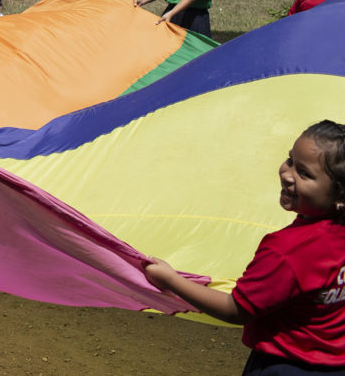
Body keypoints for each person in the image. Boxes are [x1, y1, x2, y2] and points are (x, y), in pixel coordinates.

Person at [144, 120, 345, 373]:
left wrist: (171, 281)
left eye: (304, 174)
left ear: (339, 193)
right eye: (291, 161)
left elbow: (236, 310)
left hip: (284, 366)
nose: (287, 174)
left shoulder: (286, 250)